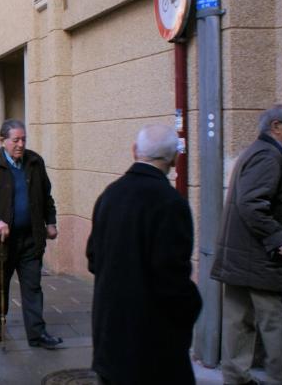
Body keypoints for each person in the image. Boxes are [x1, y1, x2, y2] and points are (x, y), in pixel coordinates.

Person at [87, 124, 202, 384]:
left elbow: (93, 258)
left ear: (135, 151)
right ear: (174, 158)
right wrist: (192, 305)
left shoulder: (110, 194)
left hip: (110, 336)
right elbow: (172, 279)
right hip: (152, 346)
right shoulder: (171, 203)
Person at [212, 104, 282, 385]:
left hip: (241, 258)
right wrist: (281, 240)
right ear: (276, 127)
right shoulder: (268, 156)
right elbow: (252, 204)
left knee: (238, 322)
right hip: (260, 259)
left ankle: (236, 378)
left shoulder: (257, 152)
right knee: (280, 321)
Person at [0, 119, 61, 349]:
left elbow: (46, 196)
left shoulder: (34, 162)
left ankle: (37, 334)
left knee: (33, 287)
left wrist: (50, 222)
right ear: (3, 141)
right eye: (16, 140)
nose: (20, 144)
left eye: (23, 139)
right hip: (0, 242)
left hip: (30, 239)